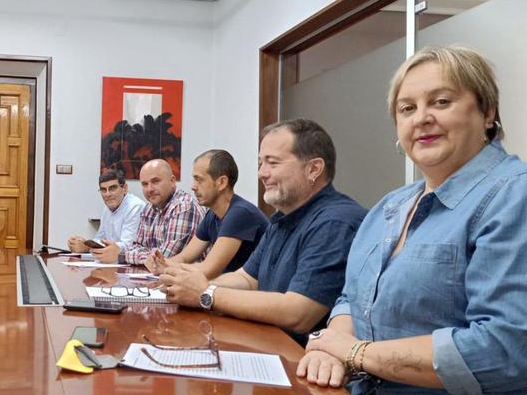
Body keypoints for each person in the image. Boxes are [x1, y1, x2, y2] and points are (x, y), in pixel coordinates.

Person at [297, 46, 527, 395]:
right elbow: (352, 298)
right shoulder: (390, 206)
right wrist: (332, 341)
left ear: (488, 113)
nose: (422, 118)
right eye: (407, 109)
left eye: (441, 101)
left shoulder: (513, 197)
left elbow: (502, 348)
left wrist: (355, 354)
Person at [159, 120, 366, 345]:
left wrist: (207, 293)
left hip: (301, 362)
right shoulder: (281, 219)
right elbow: (247, 278)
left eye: (272, 163)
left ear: (313, 169)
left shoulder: (335, 221)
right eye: (260, 163)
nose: (261, 173)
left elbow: (299, 313)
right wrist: (190, 284)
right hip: (266, 343)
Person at [145, 150, 268, 279]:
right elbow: (185, 257)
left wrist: (168, 267)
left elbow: (209, 269)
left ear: (222, 182)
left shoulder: (240, 213)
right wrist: (160, 262)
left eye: (199, 180)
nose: (193, 186)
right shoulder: (212, 215)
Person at [92, 159, 204, 265]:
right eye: (145, 184)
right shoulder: (149, 208)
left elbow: (164, 258)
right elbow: (136, 246)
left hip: (185, 281)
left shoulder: (183, 206)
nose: (149, 189)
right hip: (158, 277)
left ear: (172, 181)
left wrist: (121, 255)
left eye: (155, 181)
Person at [67, 170, 145, 253]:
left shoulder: (135, 207)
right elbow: (100, 238)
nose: (107, 194)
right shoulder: (107, 208)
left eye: (112, 188)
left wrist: (88, 248)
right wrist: (85, 243)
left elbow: (128, 246)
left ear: (124, 188)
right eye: (103, 190)